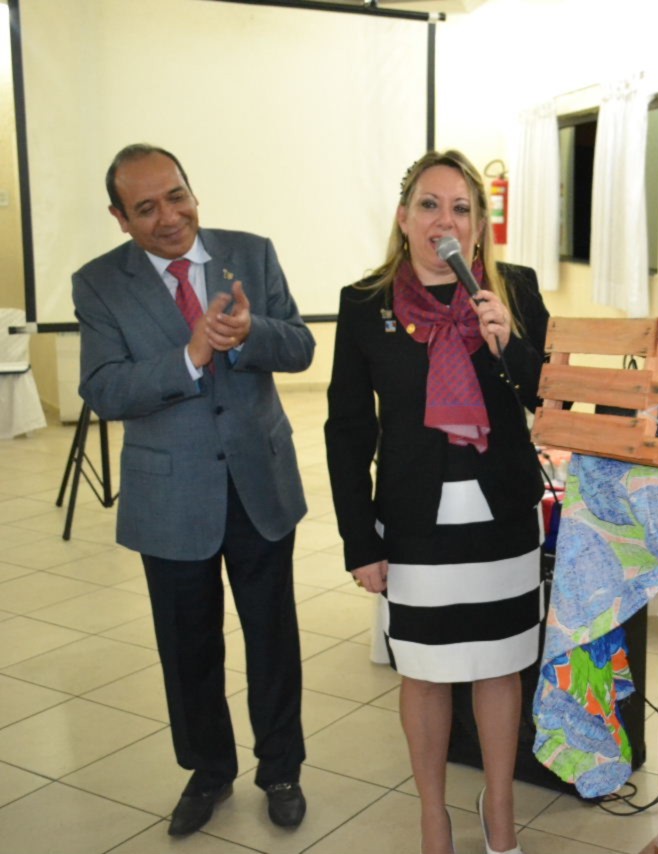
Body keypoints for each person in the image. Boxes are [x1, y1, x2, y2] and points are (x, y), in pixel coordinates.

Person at [73, 144, 314, 835]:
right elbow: (104, 388)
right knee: (188, 648)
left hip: (259, 483)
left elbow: (299, 345)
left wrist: (251, 333)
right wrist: (191, 356)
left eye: (176, 196)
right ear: (120, 218)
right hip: (171, 496)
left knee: (272, 638)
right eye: (146, 208)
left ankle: (281, 769)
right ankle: (209, 771)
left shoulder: (251, 253)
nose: (169, 216)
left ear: (192, 192)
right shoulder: (99, 284)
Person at [325, 149, 549, 854]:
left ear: (478, 225)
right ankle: (433, 816)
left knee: (499, 663)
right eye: (429, 205)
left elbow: (549, 397)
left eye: (460, 209)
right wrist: (360, 540)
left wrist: (511, 347)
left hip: (501, 513)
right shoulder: (365, 305)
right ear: (404, 217)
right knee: (424, 671)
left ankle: (499, 806)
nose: (443, 221)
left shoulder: (515, 290)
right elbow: (347, 430)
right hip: (415, 519)